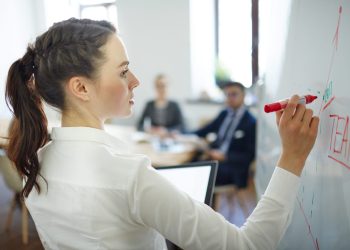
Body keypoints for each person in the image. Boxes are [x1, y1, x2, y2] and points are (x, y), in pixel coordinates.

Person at [5, 18, 319, 249]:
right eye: (123, 71)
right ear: (81, 88)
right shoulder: (129, 177)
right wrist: (292, 155)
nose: (136, 81)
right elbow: (249, 245)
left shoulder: (33, 161)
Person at [193, 81, 255, 214]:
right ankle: (198, 212)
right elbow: (203, 130)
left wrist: (225, 156)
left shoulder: (250, 122)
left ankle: (205, 215)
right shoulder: (224, 114)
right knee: (192, 164)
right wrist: (179, 134)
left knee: (200, 171)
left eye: (234, 94)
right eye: (227, 95)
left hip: (233, 167)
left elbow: (249, 155)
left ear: (243, 96)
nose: (229, 98)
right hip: (216, 159)